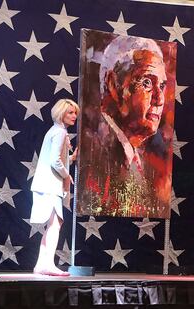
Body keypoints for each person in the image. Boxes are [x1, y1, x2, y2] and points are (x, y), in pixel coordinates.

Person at [78, 34, 175, 218]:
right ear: (113, 85)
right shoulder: (97, 155)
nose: (159, 99)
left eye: (161, 86)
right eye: (146, 82)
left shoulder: (133, 154)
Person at [30, 98, 79, 276]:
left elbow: (57, 159)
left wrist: (71, 158)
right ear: (61, 113)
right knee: (55, 225)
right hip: (50, 185)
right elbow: (55, 161)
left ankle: (41, 264)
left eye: (75, 113)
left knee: (53, 224)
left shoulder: (56, 131)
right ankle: (48, 264)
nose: (74, 116)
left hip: (46, 184)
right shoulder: (59, 133)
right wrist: (68, 175)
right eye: (70, 112)